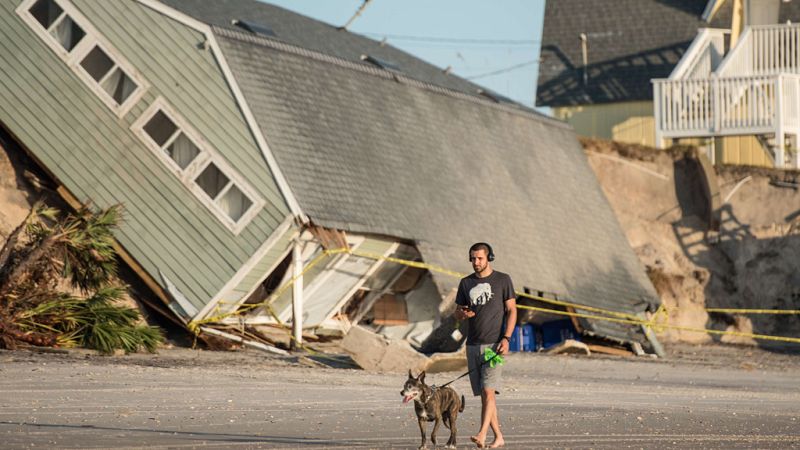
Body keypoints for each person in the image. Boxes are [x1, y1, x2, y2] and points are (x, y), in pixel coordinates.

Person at [454, 242, 517, 449]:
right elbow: (458, 313)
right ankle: (498, 437)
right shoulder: (465, 283)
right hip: (472, 345)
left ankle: (481, 434)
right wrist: (462, 314)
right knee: (484, 394)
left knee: (489, 391)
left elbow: (512, 311)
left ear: (489, 258)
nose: (475, 262)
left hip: (495, 346)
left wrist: (506, 338)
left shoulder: (503, 280)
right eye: (472, 258)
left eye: (480, 258)